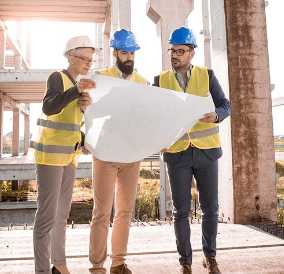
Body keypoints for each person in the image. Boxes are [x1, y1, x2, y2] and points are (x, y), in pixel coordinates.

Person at [153, 27, 231, 274]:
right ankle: (185, 262)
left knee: (210, 208)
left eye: (180, 51)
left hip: (206, 151)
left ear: (192, 53)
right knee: (181, 211)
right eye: (172, 50)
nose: (174, 55)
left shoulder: (207, 76)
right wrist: (158, 138)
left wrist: (216, 115)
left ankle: (210, 256)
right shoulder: (160, 80)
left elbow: (225, 105)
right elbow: (154, 116)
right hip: (177, 154)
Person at [31, 35, 97, 274]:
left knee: (61, 216)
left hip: (69, 158)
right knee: (46, 218)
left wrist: (83, 138)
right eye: (84, 58)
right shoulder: (57, 77)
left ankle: (59, 264)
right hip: (49, 158)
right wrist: (76, 91)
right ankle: (41, 270)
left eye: (91, 60)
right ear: (70, 56)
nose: (88, 63)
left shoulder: (78, 86)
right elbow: (49, 107)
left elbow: (69, 125)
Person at [88, 29, 148, 274]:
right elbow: (88, 112)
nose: (129, 58)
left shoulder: (142, 83)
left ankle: (118, 263)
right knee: (101, 211)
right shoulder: (100, 78)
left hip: (131, 155)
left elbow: (148, 117)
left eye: (132, 53)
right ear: (115, 53)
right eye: (125, 52)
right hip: (105, 153)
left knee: (124, 211)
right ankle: (97, 266)